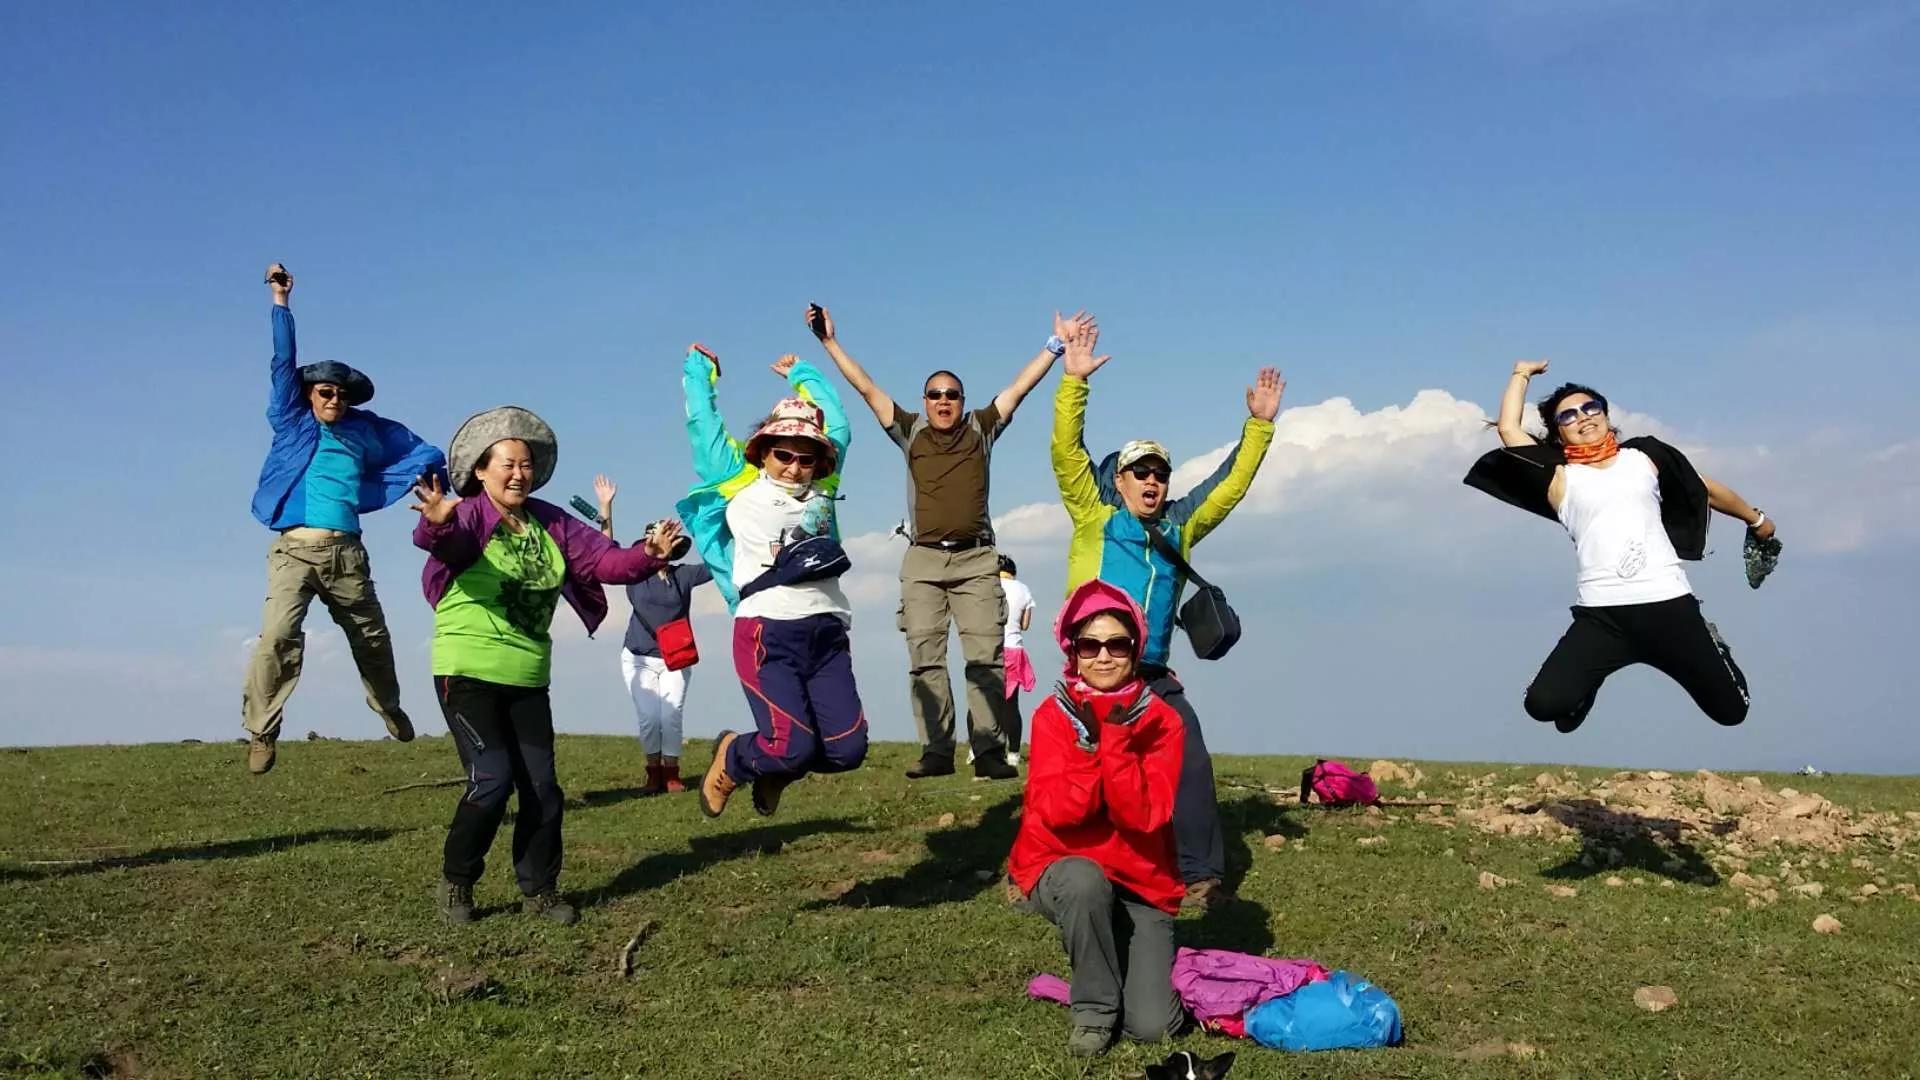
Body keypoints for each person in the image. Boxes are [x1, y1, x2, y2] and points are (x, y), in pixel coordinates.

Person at [412, 406, 681, 926]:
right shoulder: (467, 514)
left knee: (542, 787)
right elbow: (449, 544)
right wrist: (438, 526)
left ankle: (539, 890)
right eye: (507, 463)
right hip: (467, 671)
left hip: (529, 676)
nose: (519, 473)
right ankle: (457, 882)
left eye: (527, 464)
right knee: (491, 780)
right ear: (481, 471)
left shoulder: (551, 521)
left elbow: (604, 561)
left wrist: (648, 553)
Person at [1051, 321, 1282, 911]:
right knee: (1077, 778)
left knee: (1188, 758)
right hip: (1093, 671)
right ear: (1118, 481)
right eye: (1140, 473)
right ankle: (1043, 869)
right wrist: (1073, 384)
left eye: (1160, 474)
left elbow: (1229, 484)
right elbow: (1066, 452)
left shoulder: (1180, 526)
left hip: (1150, 674)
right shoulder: (1094, 518)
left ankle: (1202, 877)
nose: (1152, 481)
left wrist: (1258, 427)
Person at [809, 303, 1094, 780]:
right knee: (925, 659)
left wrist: (1055, 346)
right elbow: (864, 387)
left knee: (986, 659)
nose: (944, 401)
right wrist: (829, 342)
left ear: (963, 400)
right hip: (922, 561)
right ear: (924, 401)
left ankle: (987, 752)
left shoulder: (981, 428)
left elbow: (1019, 388)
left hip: (977, 560)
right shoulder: (909, 430)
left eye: (953, 394)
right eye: (935, 394)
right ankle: (937, 752)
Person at [1464, 360, 1775, 733]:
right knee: (1544, 706)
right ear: (1559, 434)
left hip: (1670, 608)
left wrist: (1756, 520)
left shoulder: (1643, 458)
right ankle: (1584, 691)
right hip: (1603, 616)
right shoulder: (1559, 477)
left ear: (1606, 414)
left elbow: (1705, 489)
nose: (1583, 417)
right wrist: (1522, 373)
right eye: (1568, 416)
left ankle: (1714, 646)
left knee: (1731, 712)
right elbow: (1508, 428)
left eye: (1590, 407)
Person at [242, 263, 446, 775]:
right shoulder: (291, 423)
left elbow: (426, 452)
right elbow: (281, 361)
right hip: (294, 551)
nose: (333, 398)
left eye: (340, 393)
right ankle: (262, 730)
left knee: (372, 638)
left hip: (346, 554)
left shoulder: (366, 431)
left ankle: (388, 708)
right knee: (277, 638)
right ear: (308, 394)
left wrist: (450, 478)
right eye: (324, 391)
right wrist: (280, 300)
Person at [672, 344, 867, 819]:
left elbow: (837, 422)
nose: (795, 467)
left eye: (807, 459)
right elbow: (702, 422)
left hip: (827, 632)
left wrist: (803, 374)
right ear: (763, 451)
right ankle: (733, 759)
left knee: (847, 750)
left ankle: (777, 766)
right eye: (784, 454)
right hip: (767, 630)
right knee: (790, 744)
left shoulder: (823, 484)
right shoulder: (737, 479)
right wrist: (702, 371)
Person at [1008, 579, 1187, 1057]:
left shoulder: (1163, 721)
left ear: (1135, 649)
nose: (1103, 656)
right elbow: (1062, 814)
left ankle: (1122, 949)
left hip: (1141, 879)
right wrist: (1092, 749)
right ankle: (1093, 1012)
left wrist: (1112, 740)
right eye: (1090, 644)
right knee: (1086, 883)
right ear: (1073, 650)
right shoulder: (1053, 715)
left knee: (1152, 1027)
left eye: (1117, 644)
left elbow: (1143, 817)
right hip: (1065, 864)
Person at [997, 554, 1037, 762]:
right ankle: (1013, 753)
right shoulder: (1023, 589)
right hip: (1014, 650)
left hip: (990, 649)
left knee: (984, 701)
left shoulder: (987, 586)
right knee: (1012, 705)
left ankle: (979, 750)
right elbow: (1025, 625)